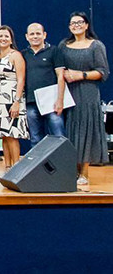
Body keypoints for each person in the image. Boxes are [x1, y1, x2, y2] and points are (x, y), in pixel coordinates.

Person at [59, 11, 109, 185]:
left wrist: (82, 75)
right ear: (69, 27)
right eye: (73, 23)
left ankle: (84, 172)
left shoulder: (96, 46)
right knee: (70, 131)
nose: (77, 25)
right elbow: (58, 68)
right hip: (67, 93)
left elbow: (103, 72)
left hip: (87, 93)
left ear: (87, 25)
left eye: (80, 22)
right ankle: (71, 170)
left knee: (85, 130)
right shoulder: (64, 45)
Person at [0, 25, 29, 169]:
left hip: (12, 100)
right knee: (4, 136)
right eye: (0, 36)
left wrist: (17, 102)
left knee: (12, 136)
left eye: (6, 36)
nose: (3, 39)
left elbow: (21, 79)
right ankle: (7, 167)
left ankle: (16, 168)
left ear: (11, 39)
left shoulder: (16, 55)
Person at [22, 22, 66, 147]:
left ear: (44, 35)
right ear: (27, 36)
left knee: (58, 136)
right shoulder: (23, 54)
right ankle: (38, 161)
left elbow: (61, 76)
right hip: (31, 103)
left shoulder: (54, 51)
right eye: (32, 34)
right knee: (35, 138)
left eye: (38, 33)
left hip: (52, 103)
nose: (35, 36)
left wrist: (60, 100)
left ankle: (62, 160)